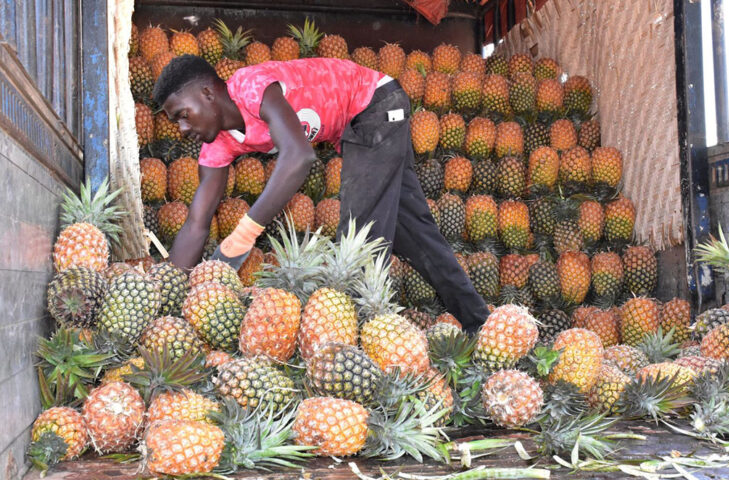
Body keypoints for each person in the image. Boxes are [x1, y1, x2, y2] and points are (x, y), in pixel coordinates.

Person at [152, 54, 489, 332]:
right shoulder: (218, 143)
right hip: (357, 129)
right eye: (175, 122)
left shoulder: (250, 86)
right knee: (414, 235)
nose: (182, 129)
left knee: (360, 238)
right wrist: (168, 293)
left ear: (208, 94)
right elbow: (197, 223)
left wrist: (245, 233)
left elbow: (299, 156)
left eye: (183, 115)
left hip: (375, 104)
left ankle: (360, 347)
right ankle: (479, 323)